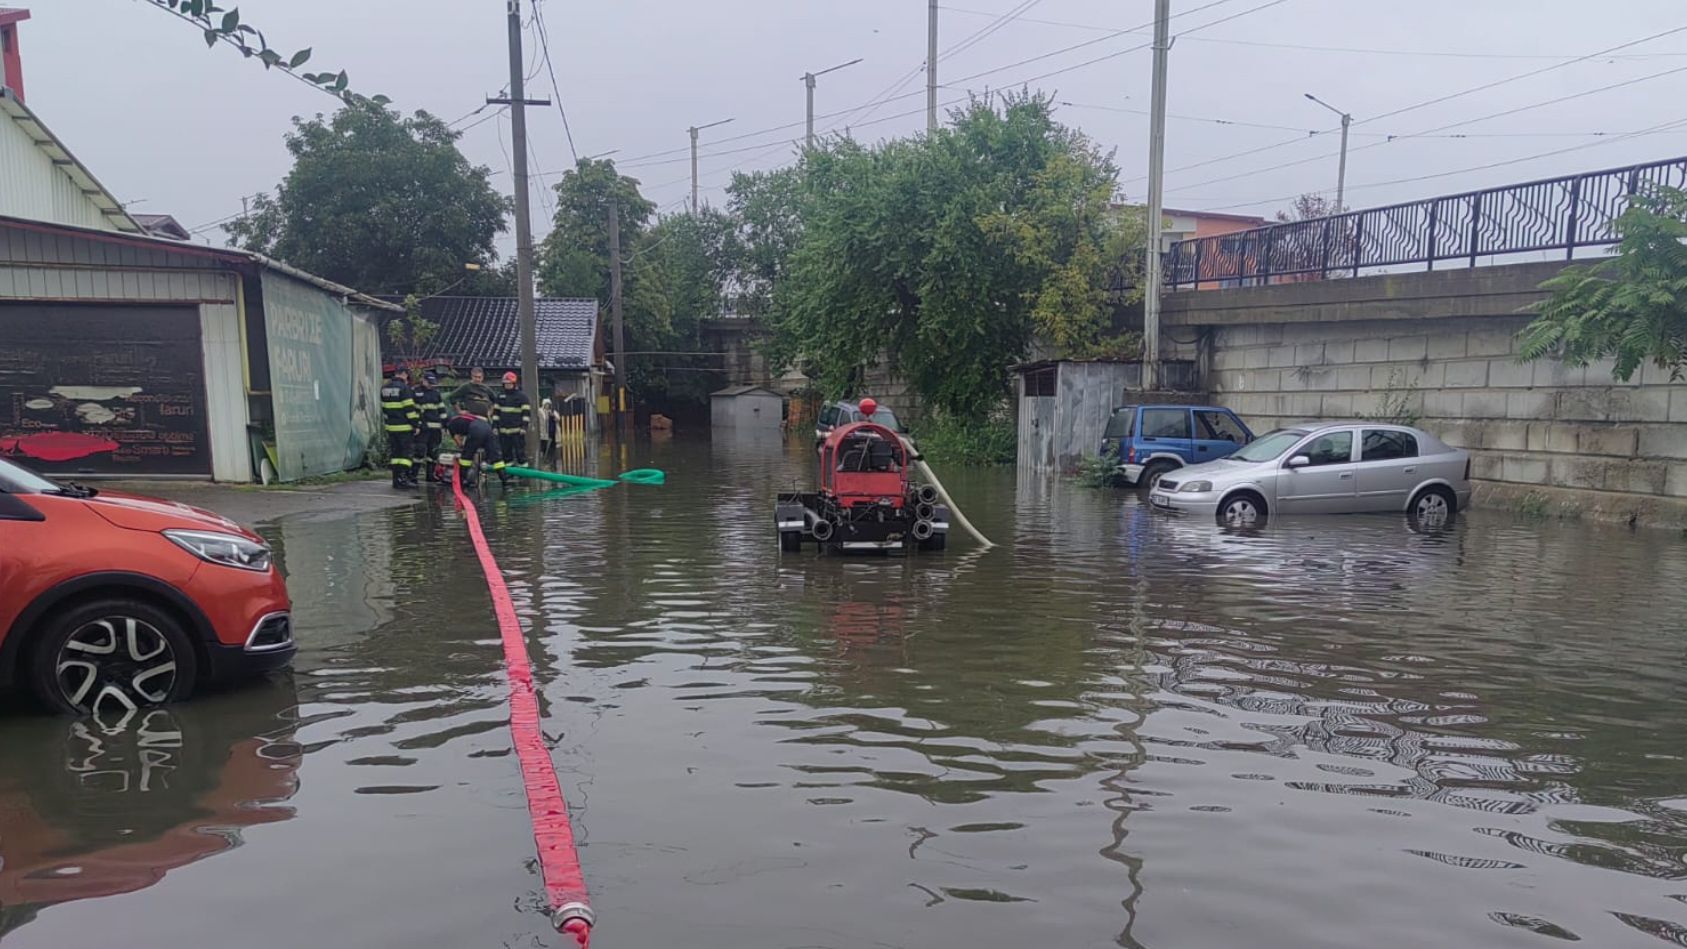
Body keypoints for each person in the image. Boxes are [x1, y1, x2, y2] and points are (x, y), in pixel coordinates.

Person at [379, 366, 421, 489]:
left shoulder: (385, 388)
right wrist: (416, 424)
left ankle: (396, 479)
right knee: (405, 455)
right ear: (403, 374)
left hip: (391, 427)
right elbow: (409, 410)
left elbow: (384, 408)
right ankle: (403, 478)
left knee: (395, 454)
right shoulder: (404, 388)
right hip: (404, 428)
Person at [445, 412, 510, 488]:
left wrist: (464, 448)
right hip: (487, 428)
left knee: (466, 458)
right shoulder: (462, 418)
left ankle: (462, 480)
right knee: (496, 457)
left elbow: (458, 441)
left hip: (475, 429)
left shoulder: (450, 425)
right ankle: (505, 481)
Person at [413, 371, 446, 482]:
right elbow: (414, 411)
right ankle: (413, 475)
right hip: (423, 428)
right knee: (419, 451)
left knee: (433, 452)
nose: (431, 385)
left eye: (433, 383)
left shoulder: (436, 394)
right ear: (423, 380)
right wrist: (417, 424)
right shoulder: (416, 392)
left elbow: (442, 410)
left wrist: (445, 425)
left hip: (435, 428)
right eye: (429, 383)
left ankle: (430, 475)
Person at [494, 371, 532, 466]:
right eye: (506, 384)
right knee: (506, 452)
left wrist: (524, 427)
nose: (507, 386)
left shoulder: (522, 397)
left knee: (520, 451)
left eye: (509, 384)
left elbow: (526, 414)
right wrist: (494, 426)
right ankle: (509, 472)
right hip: (503, 431)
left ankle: (523, 471)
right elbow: (496, 413)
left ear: (514, 384)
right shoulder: (500, 396)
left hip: (517, 430)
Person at [538, 397, 556, 464]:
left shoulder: (552, 411)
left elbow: (558, 418)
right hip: (541, 431)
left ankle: (546, 459)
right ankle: (542, 457)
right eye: (546, 404)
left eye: (548, 405)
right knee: (542, 444)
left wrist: (553, 415)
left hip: (549, 432)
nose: (547, 406)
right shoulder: (539, 411)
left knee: (548, 446)